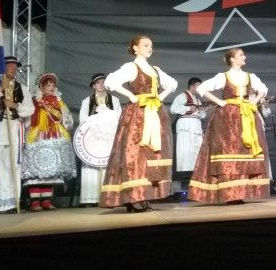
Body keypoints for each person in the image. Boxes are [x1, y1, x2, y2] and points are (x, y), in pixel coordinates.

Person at [101, 35, 178, 212]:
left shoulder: (155, 69)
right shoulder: (131, 67)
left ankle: (144, 193)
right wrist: (130, 95)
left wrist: (160, 96)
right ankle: (133, 195)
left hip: (155, 112)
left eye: (151, 45)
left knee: (152, 153)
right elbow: (110, 82)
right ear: (135, 48)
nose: (150, 48)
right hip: (138, 114)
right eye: (145, 45)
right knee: (135, 153)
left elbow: (172, 84)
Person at [188, 48, 271, 204]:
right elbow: (201, 88)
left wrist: (254, 101)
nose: (244, 57)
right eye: (241, 55)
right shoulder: (223, 77)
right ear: (232, 59)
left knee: (245, 152)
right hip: (228, 118)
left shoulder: (250, 77)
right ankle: (229, 193)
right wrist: (219, 101)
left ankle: (240, 191)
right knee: (230, 152)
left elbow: (263, 89)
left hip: (246, 115)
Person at [22, 73, 76, 211]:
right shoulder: (35, 101)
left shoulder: (58, 101)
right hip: (38, 135)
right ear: (41, 87)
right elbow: (28, 118)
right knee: (38, 166)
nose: (51, 87)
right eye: (48, 85)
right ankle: (35, 201)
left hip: (56, 134)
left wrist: (65, 123)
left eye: (53, 85)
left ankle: (46, 200)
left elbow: (66, 117)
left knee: (52, 168)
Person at [0, 56, 34, 214]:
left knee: (12, 166)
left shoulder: (22, 88)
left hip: (14, 129)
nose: (14, 69)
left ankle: (9, 203)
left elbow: (30, 109)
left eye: (15, 67)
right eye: (10, 66)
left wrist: (14, 105)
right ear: (3, 68)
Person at [77, 73, 122, 207]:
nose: (101, 85)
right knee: (92, 165)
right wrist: (96, 121)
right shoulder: (87, 101)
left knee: (108, 164)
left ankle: (109, 196)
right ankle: (91, 198)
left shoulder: (114, 100)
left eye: (103, 82)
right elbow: (83, 120)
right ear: (94, 86)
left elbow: (119, 118)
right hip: (93, 139)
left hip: (109, 138)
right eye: (98, 83)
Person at [170, 77, 207, 193]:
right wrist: (188, 108)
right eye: (199, 86)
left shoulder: (198, 99)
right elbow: (173, 109)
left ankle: (196, 178)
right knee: (185, 152)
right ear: (192, 86)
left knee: (197, 151)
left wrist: (203, 110)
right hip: (185, 125)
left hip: (196, 125)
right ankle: (184, 180)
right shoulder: (182, 96)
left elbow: (201, 115)